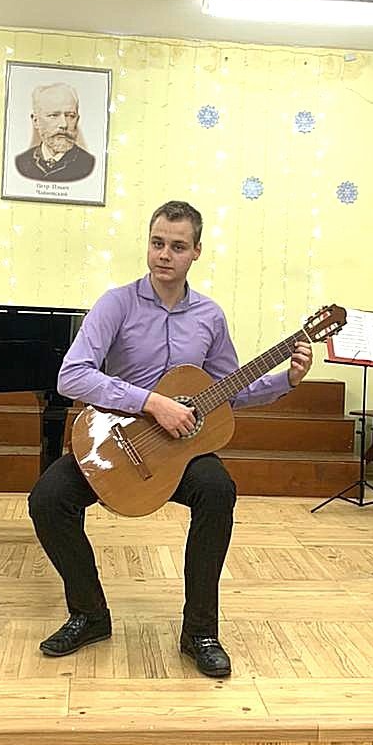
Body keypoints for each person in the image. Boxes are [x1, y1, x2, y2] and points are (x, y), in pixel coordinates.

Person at [28, 200, 313, 678]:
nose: (164, 255)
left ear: (196, 252)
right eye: (157, 243)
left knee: (218, 490)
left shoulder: (210, 316)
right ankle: (89, 614)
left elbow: (227, 392)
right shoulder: (115, 304)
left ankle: (200, 632)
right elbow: (71, 375)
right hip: (116, 440)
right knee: (48, 499)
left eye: (178, 247)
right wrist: (150, 402)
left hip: (180, 451)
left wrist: (287, 379)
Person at [15, 82, 96, 182]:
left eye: (70, 116)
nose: (64, 124)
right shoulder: (20, 162)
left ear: (77, 120)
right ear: (36, 121)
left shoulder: (90, 164)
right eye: (54, 115)